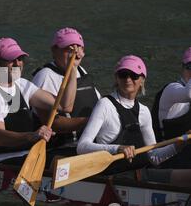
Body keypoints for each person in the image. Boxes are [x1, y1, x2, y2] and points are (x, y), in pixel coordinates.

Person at [77, 55, 191, 186]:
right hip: (115, 176)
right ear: (116, 78)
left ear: (142, 80)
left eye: (133, 76)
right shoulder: (104, 105)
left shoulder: (144, 111)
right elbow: (82, 146)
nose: (128, 79)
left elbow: (154, 157)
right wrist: (117, 148)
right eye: (123, 75)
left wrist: (179, 144)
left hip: (140, 173)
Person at [0, 37, 78, 164]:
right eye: (11, 60)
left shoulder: (22, 85)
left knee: (76, 154)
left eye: (20, 59)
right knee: (60, 164)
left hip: (27, 155)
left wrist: (72, 69)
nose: (17, 64)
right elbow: (0, 137)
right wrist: (33, 135)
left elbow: (65, 106)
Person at [32, 28, 100, 165]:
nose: (75, 53)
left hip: (86, 145)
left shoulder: (83, 72)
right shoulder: (45, 76)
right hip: (60, 148)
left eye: (78, 48)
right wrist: (91, 122)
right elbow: (52, 122)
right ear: (54, 50)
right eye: (69, 49)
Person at [151, 47, 191, 168]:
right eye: (189, 67)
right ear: (182, 68)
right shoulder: (171, 90)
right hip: (166, 161)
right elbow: (189, 94)